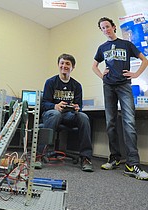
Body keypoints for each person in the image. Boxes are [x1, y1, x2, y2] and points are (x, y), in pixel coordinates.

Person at [92, 17, 148, 180]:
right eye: (102, 28)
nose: (105, 30)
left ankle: (132, 164)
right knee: (110, 123)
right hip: (108, 86)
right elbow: (94, 65)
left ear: (113, 27)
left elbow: (144, 60)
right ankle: (115, 157)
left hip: (124, 85)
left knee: (129, 122)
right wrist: (102, 76)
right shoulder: (102, 48)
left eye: (107, 26)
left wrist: (136, 74)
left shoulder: (127, 44)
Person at [40, 53, 93, 172]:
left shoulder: (77, 86)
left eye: (67, 64)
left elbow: (80, 107)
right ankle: (40, 154)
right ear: (58, 65)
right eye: (62, 63)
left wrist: (77, 108)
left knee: (83, 117)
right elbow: (44, 104)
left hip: (69, 115)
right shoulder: (50, 82)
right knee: (56, 114)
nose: (64, 66)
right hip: (51, 114)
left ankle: (86, 158)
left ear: (72, 67)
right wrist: (55, 106)